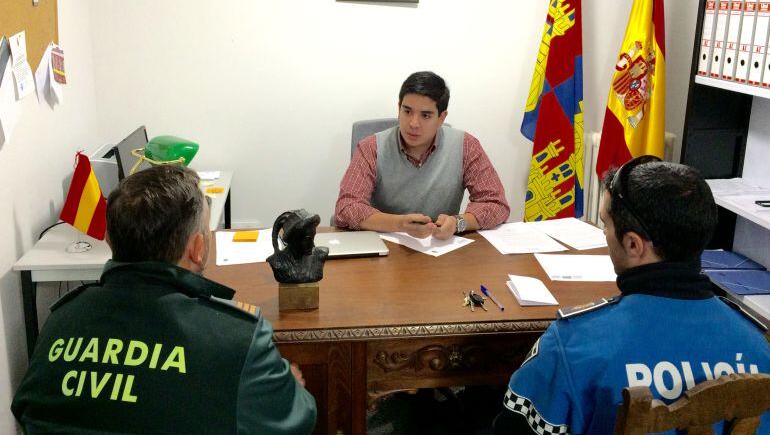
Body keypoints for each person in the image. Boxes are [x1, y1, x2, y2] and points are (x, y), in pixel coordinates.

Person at [12, 165, 316, 434]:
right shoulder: (235, 339)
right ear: (197, 248)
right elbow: (297, 418)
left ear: (110, 239)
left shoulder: (61, 321)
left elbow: (27, 410)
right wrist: (285, 384)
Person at [493, 156, 770, 434]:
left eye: (606, 224)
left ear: (633, 245)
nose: (604, 234)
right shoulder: (759, 346)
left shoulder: (573, 344)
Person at [335, 71, 510, 239]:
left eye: (425, 115)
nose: (413, 123)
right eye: (407, 111)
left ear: (441, 117)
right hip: (386, 248)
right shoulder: (371, 148)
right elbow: (346, 207)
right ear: (398, 108)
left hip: (440, 247)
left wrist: (458, 223)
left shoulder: (466, 146)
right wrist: (399, 224)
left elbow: (496, 204)